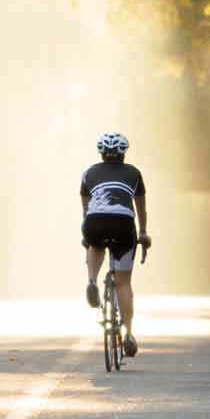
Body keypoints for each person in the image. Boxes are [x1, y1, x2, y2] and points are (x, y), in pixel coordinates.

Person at [80, 132, 151, 357]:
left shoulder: (88, 173)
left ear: (101, 153)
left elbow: (86, 206)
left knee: (94, 245)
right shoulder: (134, 174)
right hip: (123, 224)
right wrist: (143, 233)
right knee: (123, 284)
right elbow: (141, 208)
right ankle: (128, 334)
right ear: (123, 153)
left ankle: (92, 279)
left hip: (95, 221)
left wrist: (87, 232)